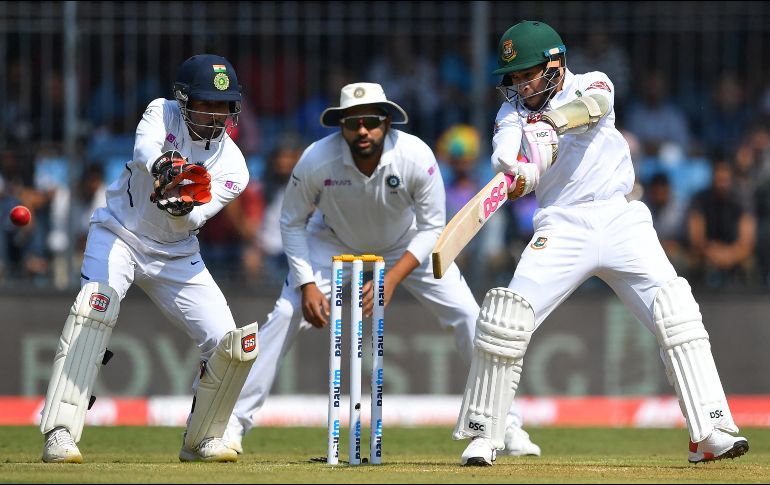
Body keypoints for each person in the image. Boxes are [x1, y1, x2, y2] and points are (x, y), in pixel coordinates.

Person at [453, 20, 750, 466]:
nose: (517, 86)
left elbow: (591, 108)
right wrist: (519, 173)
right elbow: (511, 155)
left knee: (677, 312)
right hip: (561, 225)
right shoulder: (510, 113)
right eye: (511, 78)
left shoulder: (592, 81)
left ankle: (709, 431)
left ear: (555, 65)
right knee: (505, 319)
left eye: (525, 74)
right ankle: (484, 435)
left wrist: (550, 122)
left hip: (620, 218)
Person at [224, 82, 540, 457]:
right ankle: (233, 424)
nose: (362, 131)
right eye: (353, 123)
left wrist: (390, 279)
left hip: (407, 245)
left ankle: (505, 424)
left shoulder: (415, 156)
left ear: (387, 122)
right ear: (340, 125)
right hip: (331, 242)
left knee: (468, 315)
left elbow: (432, 228)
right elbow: (291, 222)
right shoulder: (315, 159)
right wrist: (307, 283)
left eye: (371, 122)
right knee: (286, 313)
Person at [38, 54, 259, 464]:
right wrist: (164, 168)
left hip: (176, 254)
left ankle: (202, 439)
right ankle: (60, 432)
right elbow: (144, 149)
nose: (214, 115)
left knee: (232, 346)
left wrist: (181, 204)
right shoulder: (162, 111)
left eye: (223, 106)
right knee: (93, 311)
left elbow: (195, 215)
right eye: (205, 103)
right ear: (184, 99)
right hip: (118, 235)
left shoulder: (235, 166)